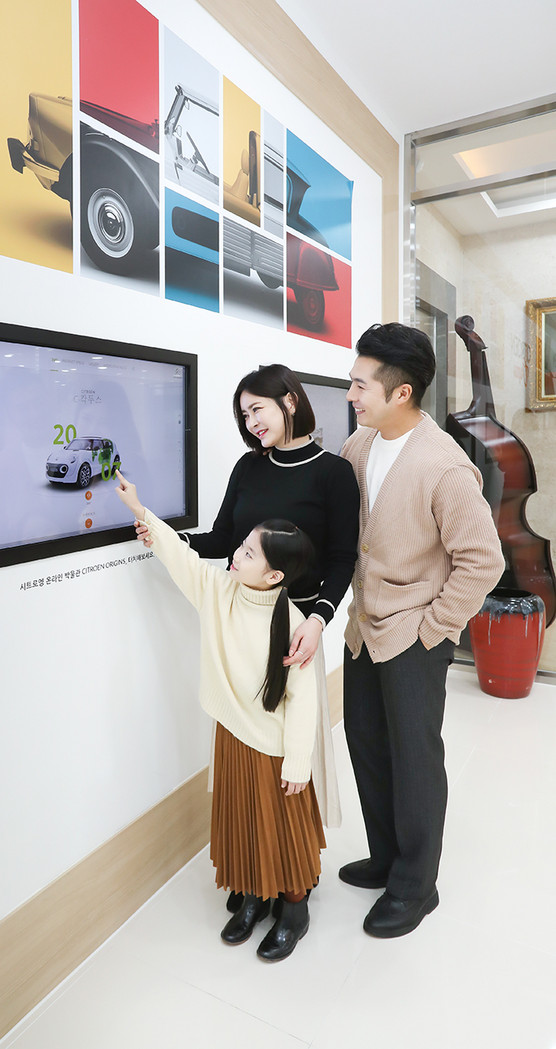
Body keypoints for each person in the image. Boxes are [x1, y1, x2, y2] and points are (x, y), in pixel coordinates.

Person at [135, 364, 360, 914]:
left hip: (297, 632)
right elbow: (221, 539)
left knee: (289, 759)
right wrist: (165, 537)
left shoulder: (333, 473)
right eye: (243, 414)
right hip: (242, 624)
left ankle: (292, 883)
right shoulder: (248, 467)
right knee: (242, 759)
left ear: (289, 401)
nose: (251, 422)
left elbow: (342, 558)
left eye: (257, 409)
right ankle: (253, 877)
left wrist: (319, 619)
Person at [115, 471, 324, 962]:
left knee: (282, 832)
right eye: (242, 546)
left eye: (249, 554)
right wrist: (141, 512)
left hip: (275, 748)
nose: (236, 555)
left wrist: (298, 762)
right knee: (243, 824)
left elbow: (304, 702)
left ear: (274, 577)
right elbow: (181, 558)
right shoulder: (219, 589)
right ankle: (253, 896)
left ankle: (294, 909)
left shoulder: (293, 624)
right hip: (231, 733)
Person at [340, 322, 504, 938]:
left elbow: (482, 561)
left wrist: (435, 630)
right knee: (366, 741)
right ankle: (385, 857)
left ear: (401, 392)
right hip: (363, 628)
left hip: (414, 633)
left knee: (414, 757)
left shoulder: (445, 466)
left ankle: (416, 885)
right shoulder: (359, 445)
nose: (351, 394)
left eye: (361, 385)